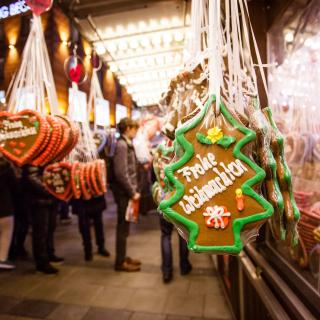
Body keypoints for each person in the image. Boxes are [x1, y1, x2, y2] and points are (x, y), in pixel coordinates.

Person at [112, 117, 141, 272]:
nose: (136, 131)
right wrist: (132, 191)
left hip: (127, 192)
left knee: (125, 226)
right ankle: (119, 262)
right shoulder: (122, 145)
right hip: (124, 193)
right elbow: (121, 173)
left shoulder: (126, 144)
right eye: (134, 128)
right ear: (128, 128)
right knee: (122, 228)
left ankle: (122, 257)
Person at [23, 166, 64, 274]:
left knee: (50, 228)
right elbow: (32, 177)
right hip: (40, 200)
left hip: (50, 198)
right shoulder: (35, 157)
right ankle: (42, 261)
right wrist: (49, 189)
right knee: (41, 231)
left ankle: (50, 253)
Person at [72, 196, 110, 261]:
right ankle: (88, 250)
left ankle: (101, 247)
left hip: (96, 198)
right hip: (81, 201)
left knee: (99, 225)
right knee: (84, 227)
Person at [0, 155, 17, 270]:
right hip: (4, 205)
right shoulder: (6, 168)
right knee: (6, 231)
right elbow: (15, 186)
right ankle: (2, 259)